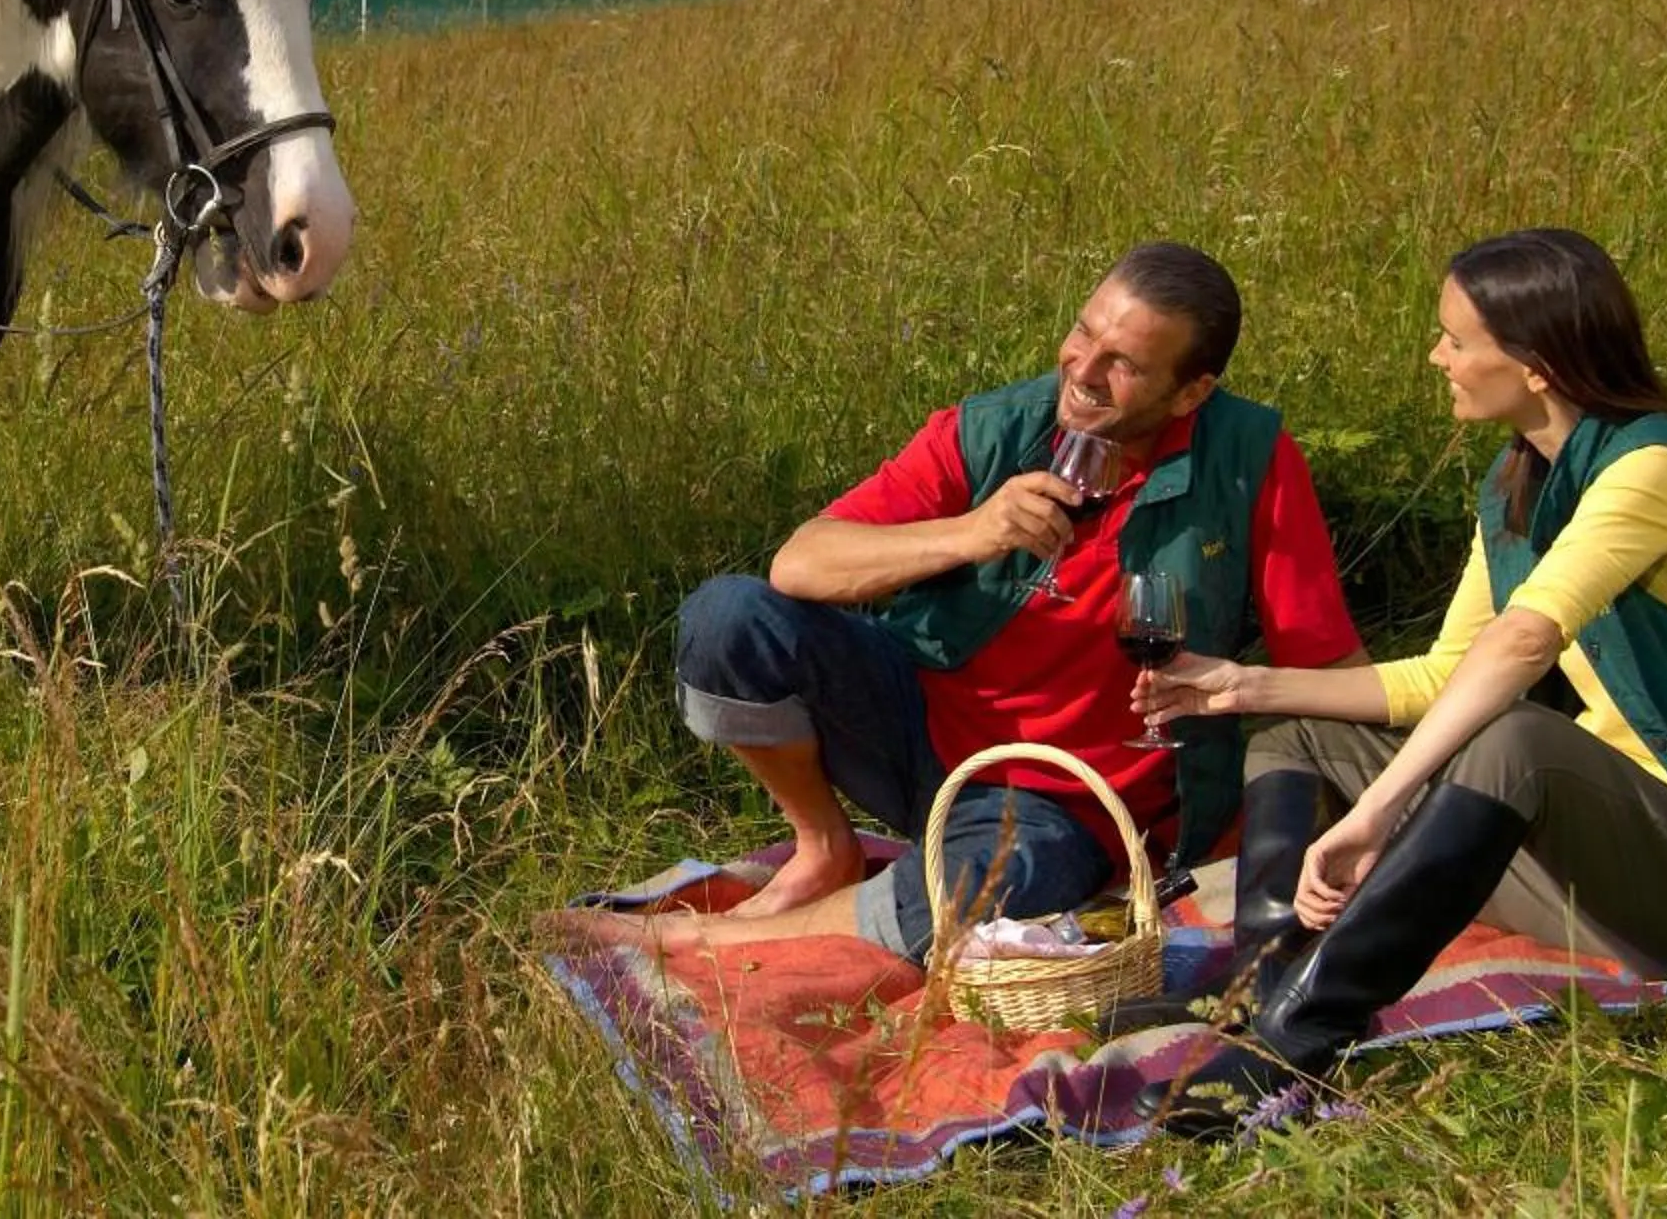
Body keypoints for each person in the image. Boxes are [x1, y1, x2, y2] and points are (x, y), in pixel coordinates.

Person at [1136, 228, 1667, 1131]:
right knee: (1294, 732)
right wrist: (1243, 685)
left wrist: (1373, 815)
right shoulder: (1521, 479)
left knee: (1515, 739)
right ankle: (1259, 990)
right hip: (1600, 868)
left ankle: (1295, 1049)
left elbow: (1524, 644)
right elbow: (1449, 670)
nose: (1436, 355)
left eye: (1456, 338)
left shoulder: (1652, 466)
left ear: (1533, 364)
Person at [564, 241, 1367, 960]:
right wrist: (972, 533)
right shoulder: (994, 429)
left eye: (1124, 363)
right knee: (726, 620)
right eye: (1084, 333)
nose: (1083, 371)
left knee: (994, 890)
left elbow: (1325, 661)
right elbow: (800, 563)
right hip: (920, 737)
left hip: (1069, 801)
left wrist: (1390, 804)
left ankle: (702, 940)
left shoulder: (1248, 460)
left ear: (1191, 393)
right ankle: (822, 848)